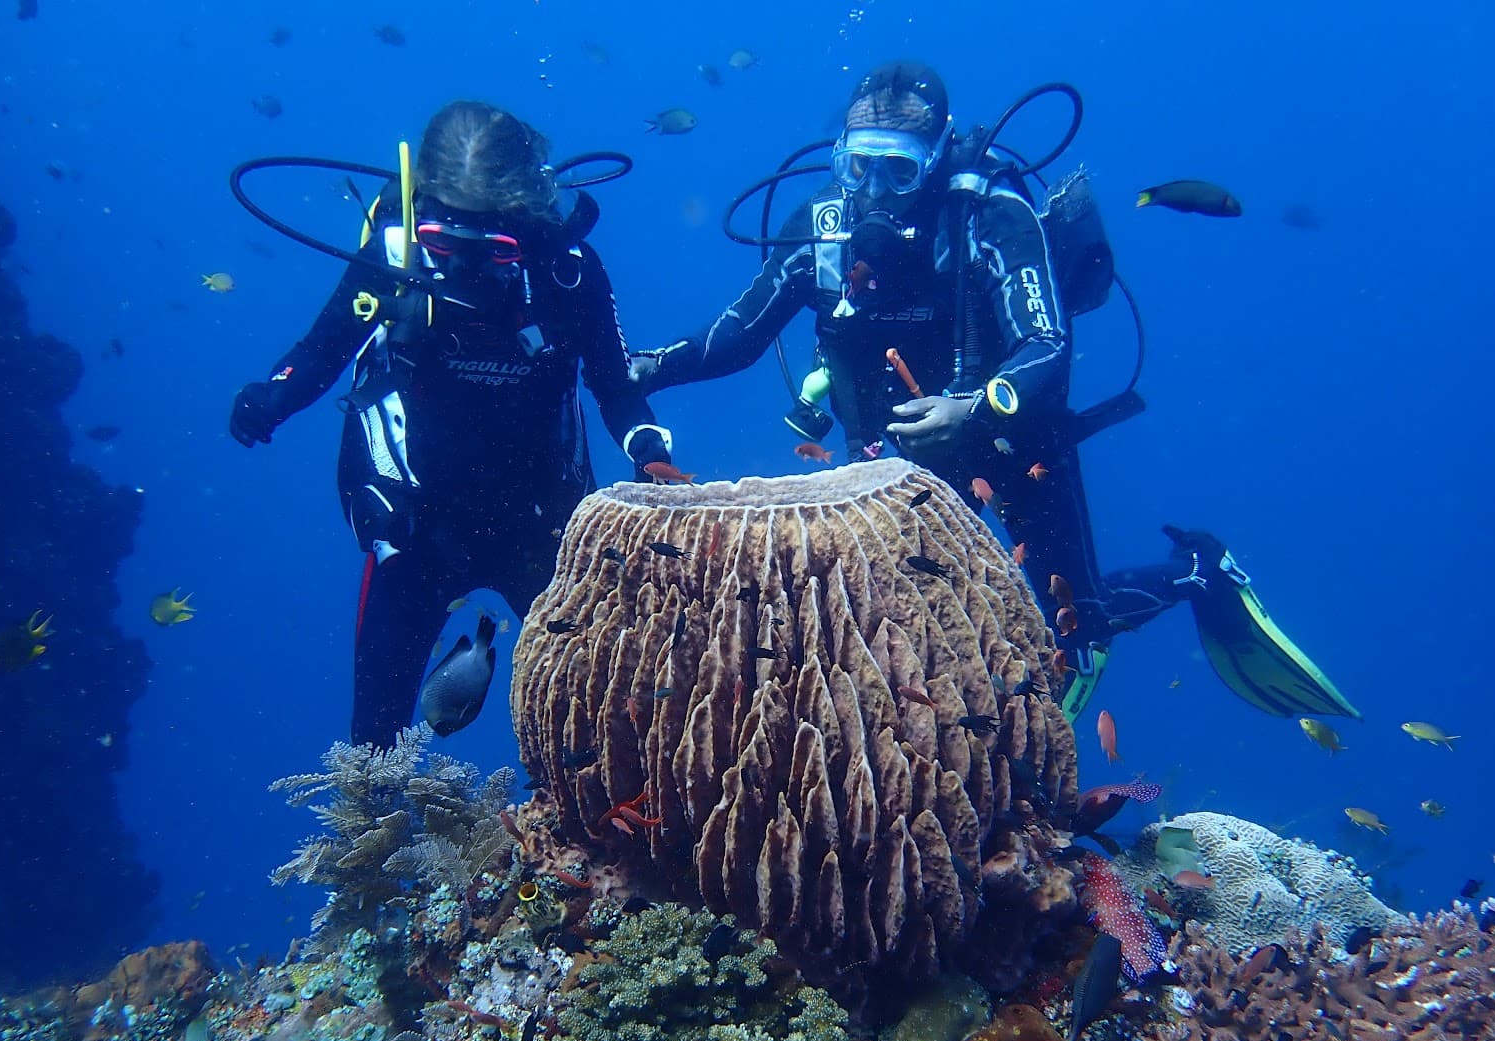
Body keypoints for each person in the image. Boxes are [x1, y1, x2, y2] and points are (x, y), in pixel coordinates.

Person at [634, 62, 1356, 723]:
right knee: (889, 634)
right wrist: (636, 368)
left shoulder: (990, 215)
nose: (876, 193)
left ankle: (1200, 571)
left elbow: (1046, 344)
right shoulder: (825, 229)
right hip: (884, 474)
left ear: (938, 156)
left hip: (1014, 445)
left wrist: (975, 409)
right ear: (839, 159)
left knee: (1078, 625)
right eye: (860, 168)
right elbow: (733, 338)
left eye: (898, 171)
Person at [228, 101, 675, 747]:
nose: (464, 266)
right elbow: (322, 350)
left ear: (526, 219)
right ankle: (378, 839)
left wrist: (649, 448)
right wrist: (272, 395)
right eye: (443, 243)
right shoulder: (393, 256)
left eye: (492, 249)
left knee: (610, 725)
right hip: (416, 528)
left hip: (544, 523)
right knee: (375, 746)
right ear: (421, 210)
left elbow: (616, 386)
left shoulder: (564, 271)